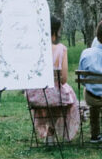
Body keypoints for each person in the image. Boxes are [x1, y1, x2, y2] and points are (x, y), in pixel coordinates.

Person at [25, 16, 81, 145]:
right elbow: (64, 79)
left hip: (35, 96)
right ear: (55, 33)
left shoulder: (31, 50)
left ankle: (48, 131)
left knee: (49, 99)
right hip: (56, 96)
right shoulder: (61, 49)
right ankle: (53, 129)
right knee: (67, 99)